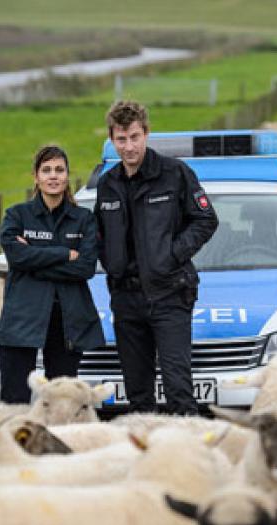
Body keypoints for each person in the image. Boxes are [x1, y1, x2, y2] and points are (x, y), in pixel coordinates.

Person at [94, 101, 218, 415]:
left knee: (178, 388)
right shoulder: (108, 185)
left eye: (134, 137)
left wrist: (170, 256)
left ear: (146, 134)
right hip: (125, 299)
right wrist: (110, 262)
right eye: (121, 140)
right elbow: (97, 235)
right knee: (138, 395)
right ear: (112, 139)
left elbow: (205, 220)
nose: (129, 146)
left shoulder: (174, 173)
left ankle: (187, 456)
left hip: (169, 294)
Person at [0, 145, 104, 403]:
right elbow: (17, 257)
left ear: (67, 176)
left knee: (63, 401)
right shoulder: (17, 215)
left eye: (59, 170)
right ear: (36, 176)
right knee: (15, 400)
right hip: (21, 318)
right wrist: (64, 253)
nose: (53, 176)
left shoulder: (83, 218)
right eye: (46, 170)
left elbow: (86, 267)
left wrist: (34, 257)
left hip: (67, 321)